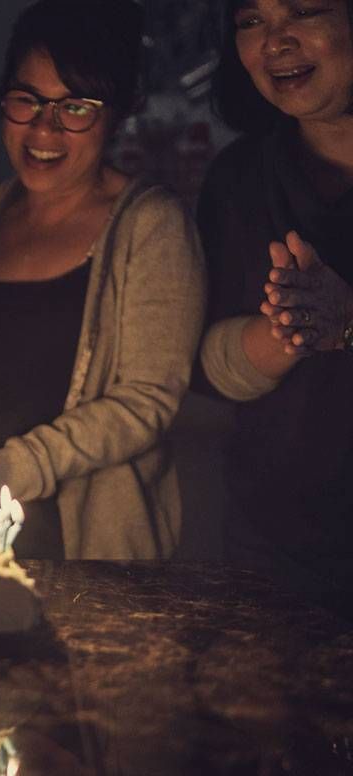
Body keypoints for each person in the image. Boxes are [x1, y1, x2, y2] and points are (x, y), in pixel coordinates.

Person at [0, 0, 206, 560]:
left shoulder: (150, 226)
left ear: (118, 113)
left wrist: (8, 467)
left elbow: (144, 402)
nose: (44, 128)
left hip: (91, 550)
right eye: (26, 100)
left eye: (75, 108)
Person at [198, 0, 353, 612]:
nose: (276, 41)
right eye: (251, 21)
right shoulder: (240, 178)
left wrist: (346, 320)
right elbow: (211, 366)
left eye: (305, 10)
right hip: (272, 557)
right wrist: (283, 335)